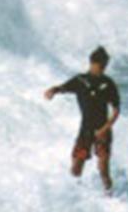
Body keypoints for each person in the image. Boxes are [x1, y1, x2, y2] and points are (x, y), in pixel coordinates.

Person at [44, 46, 121, 193]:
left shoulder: (108, 83)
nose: (103, 69)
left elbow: (116, 110)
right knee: (76, 168)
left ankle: (110, 196)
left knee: (103, 169)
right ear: (92, 63)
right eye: (102, 65)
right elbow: (62, 88)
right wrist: (52, 91)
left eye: (105, 66)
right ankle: (74, 197)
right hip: (85, 130)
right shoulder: (80, 81)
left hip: (103, 131)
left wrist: (105, 129)